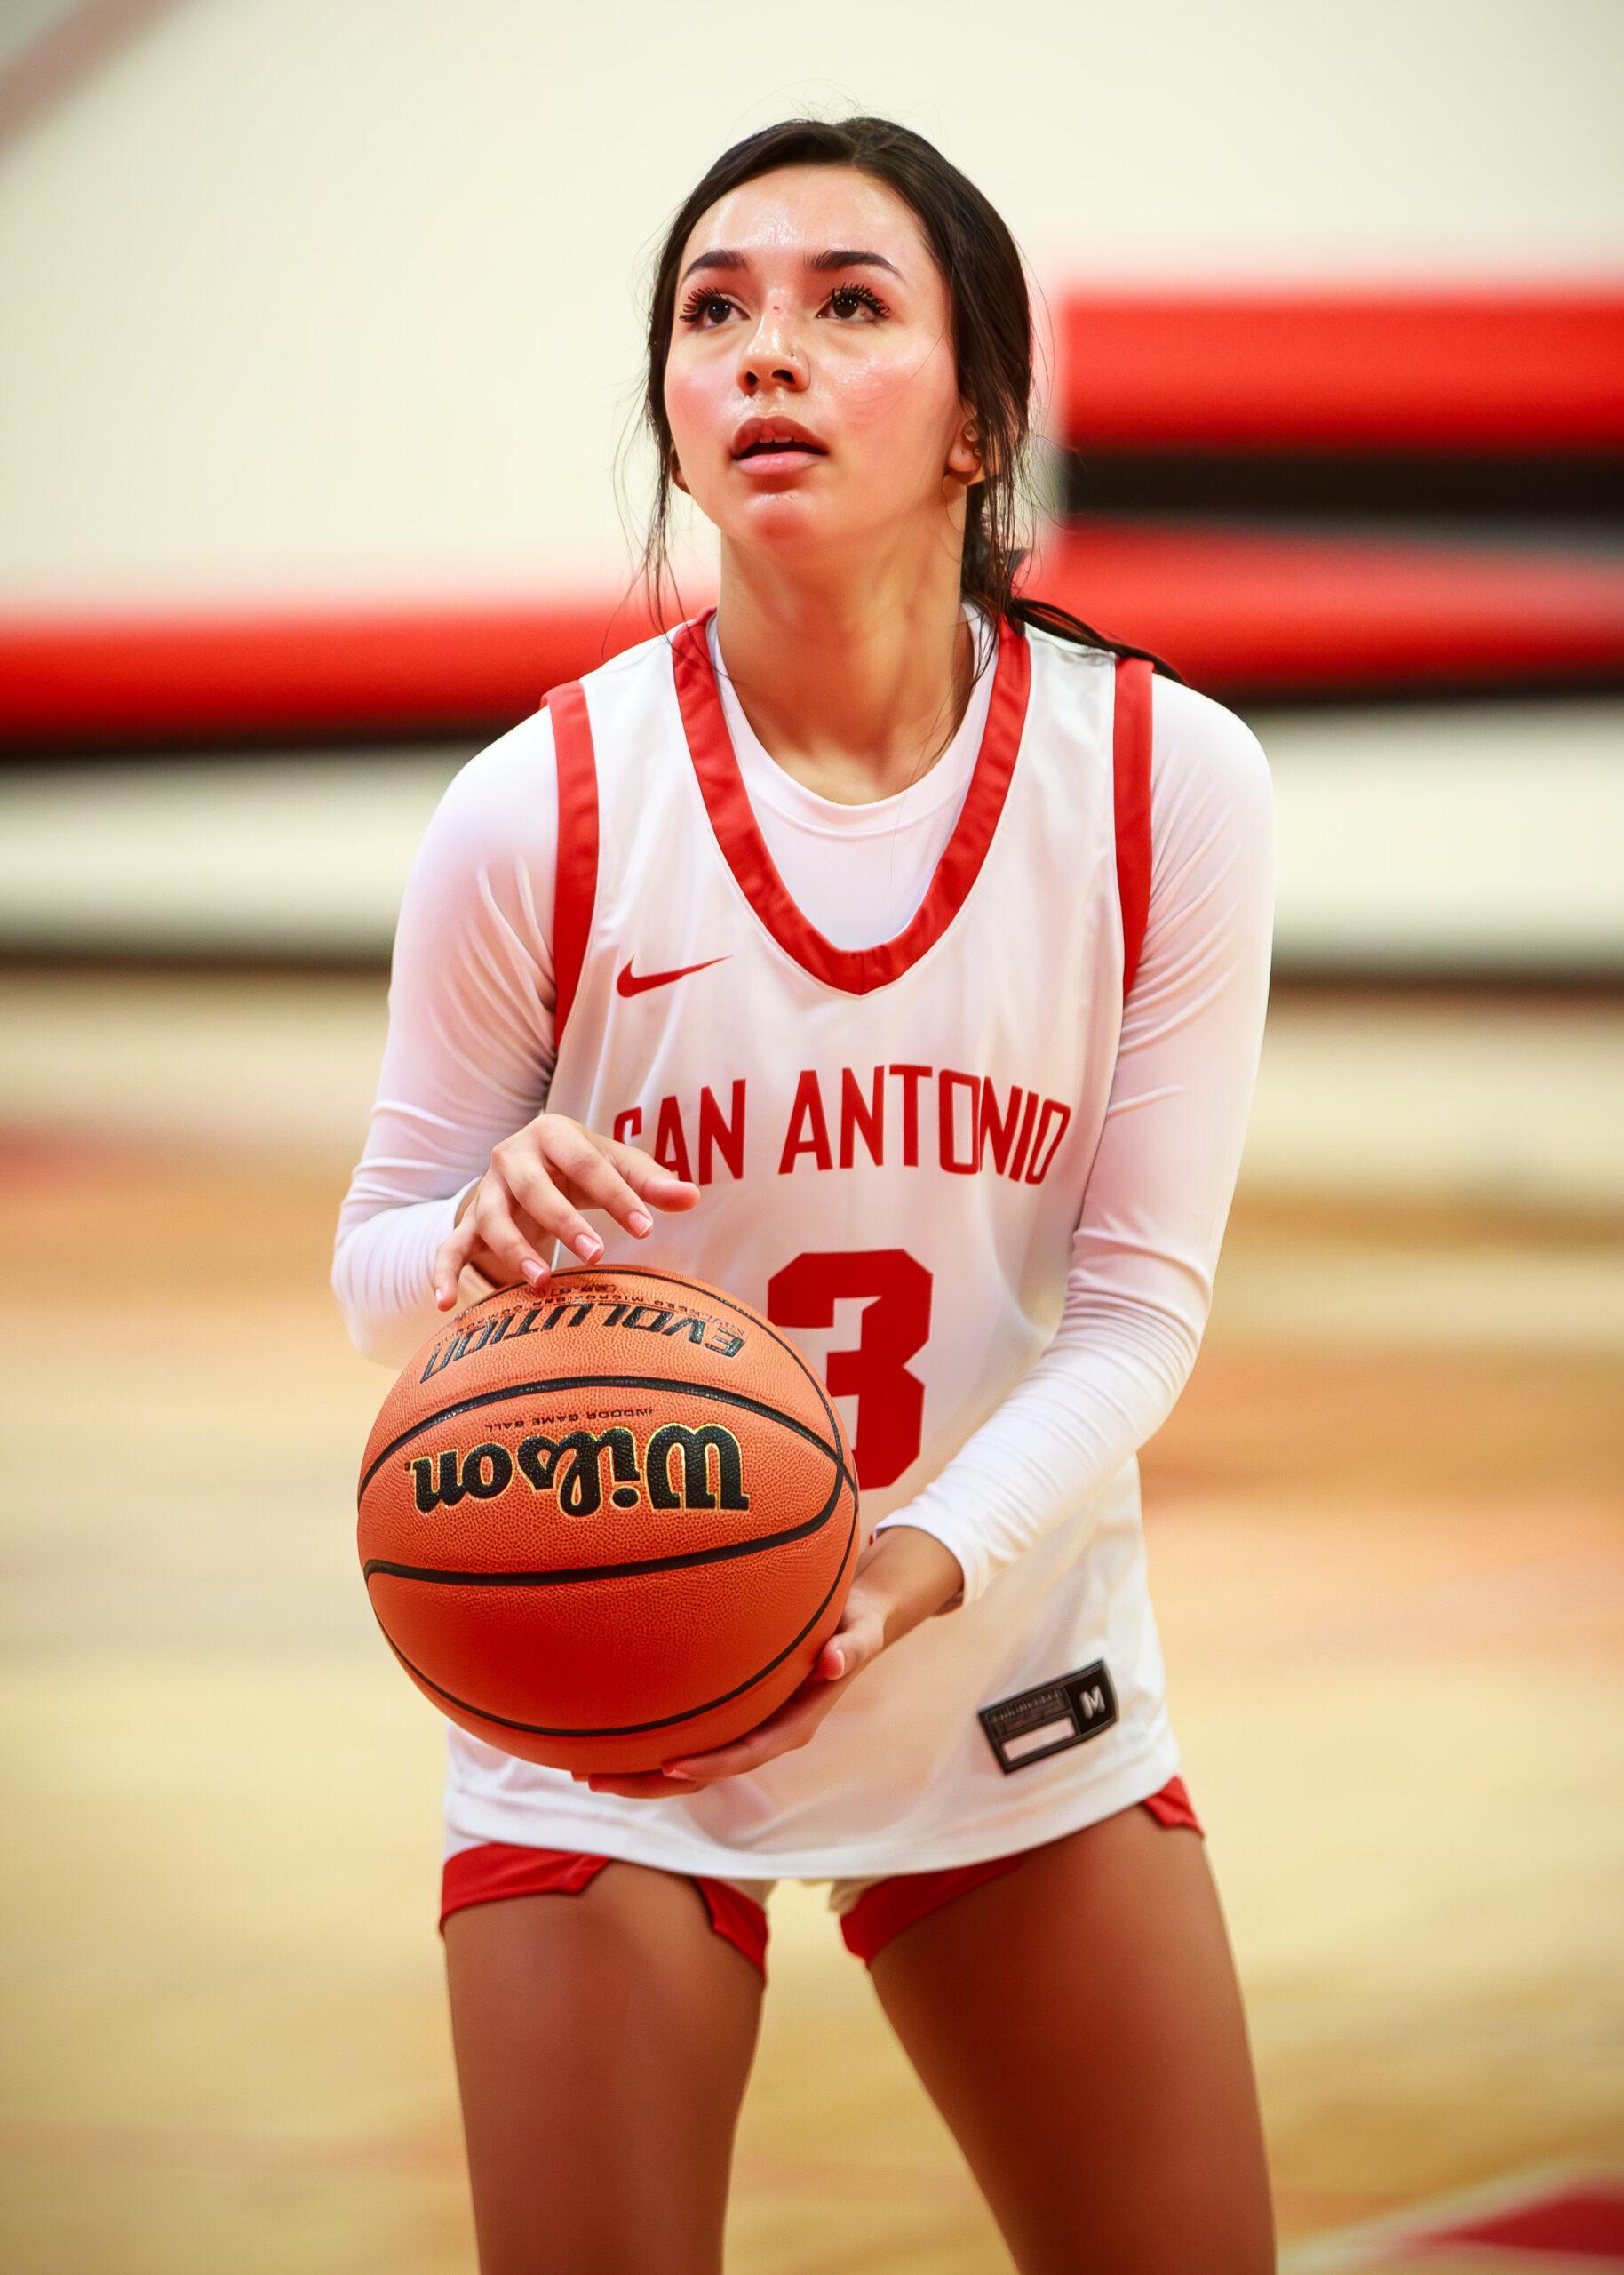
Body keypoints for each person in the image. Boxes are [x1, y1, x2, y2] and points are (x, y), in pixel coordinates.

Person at [332, 114, 1277, 2275]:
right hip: (602, 1673)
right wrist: (472, 1233)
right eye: (712, 310)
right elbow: (378, 1272)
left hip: (996, 1648)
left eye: (848, 305)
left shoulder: (1157, 785)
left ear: (982, 421)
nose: (767, 351)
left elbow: (1136, 1311)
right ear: (665, 411)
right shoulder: (540, 808)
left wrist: (912, 1564)